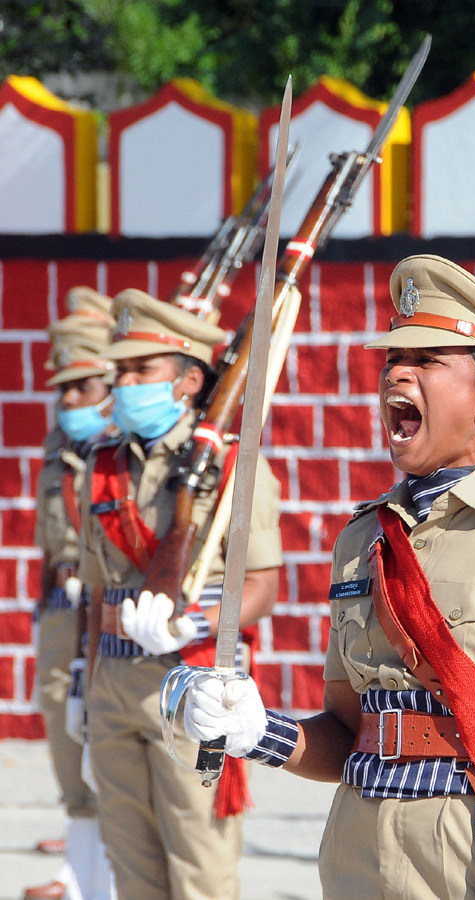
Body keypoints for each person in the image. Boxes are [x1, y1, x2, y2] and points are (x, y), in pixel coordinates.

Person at [180, 254, 475, 900]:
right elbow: (344, 733)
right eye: (394, 360)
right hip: (360, 848)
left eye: (426, 360)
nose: (398, 373)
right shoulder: (363, 540)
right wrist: (256, 728)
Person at [77, 289, 283, 900]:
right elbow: (95, 589)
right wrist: (85, 685)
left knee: (200, 873)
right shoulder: (106, 462)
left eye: (142, 370)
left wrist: (192, 623)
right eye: (120, 371)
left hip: (190, 683)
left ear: (190, 380)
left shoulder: (235, 468)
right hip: (114, 684)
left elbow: (262, 588)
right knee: (133, 872)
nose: (125, 382)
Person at [26, 289, 119, 900]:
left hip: (111, 605)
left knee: (107, 737)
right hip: (62, 606)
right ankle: (80, 868)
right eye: (62, 386)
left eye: (81, 384)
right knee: (63, 724)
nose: (67, 400)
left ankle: (106, 872)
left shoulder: (121, 447)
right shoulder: (61, 443)